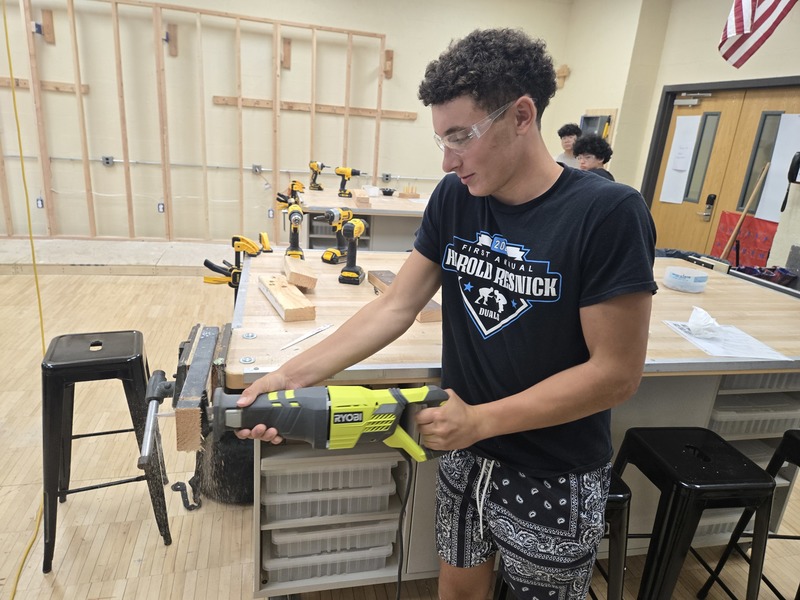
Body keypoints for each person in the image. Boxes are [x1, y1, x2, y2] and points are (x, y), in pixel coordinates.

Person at [236, 28, 657, 600]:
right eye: (441, 139)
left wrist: (481, 420)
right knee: (457, 590)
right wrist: (291, 374)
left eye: (460, 136)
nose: (446, 159)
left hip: (554, 470)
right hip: (464, 450)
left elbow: (615, 374)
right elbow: (396, 304)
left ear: (523, 115)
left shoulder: (606, 212)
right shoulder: (456, 198)